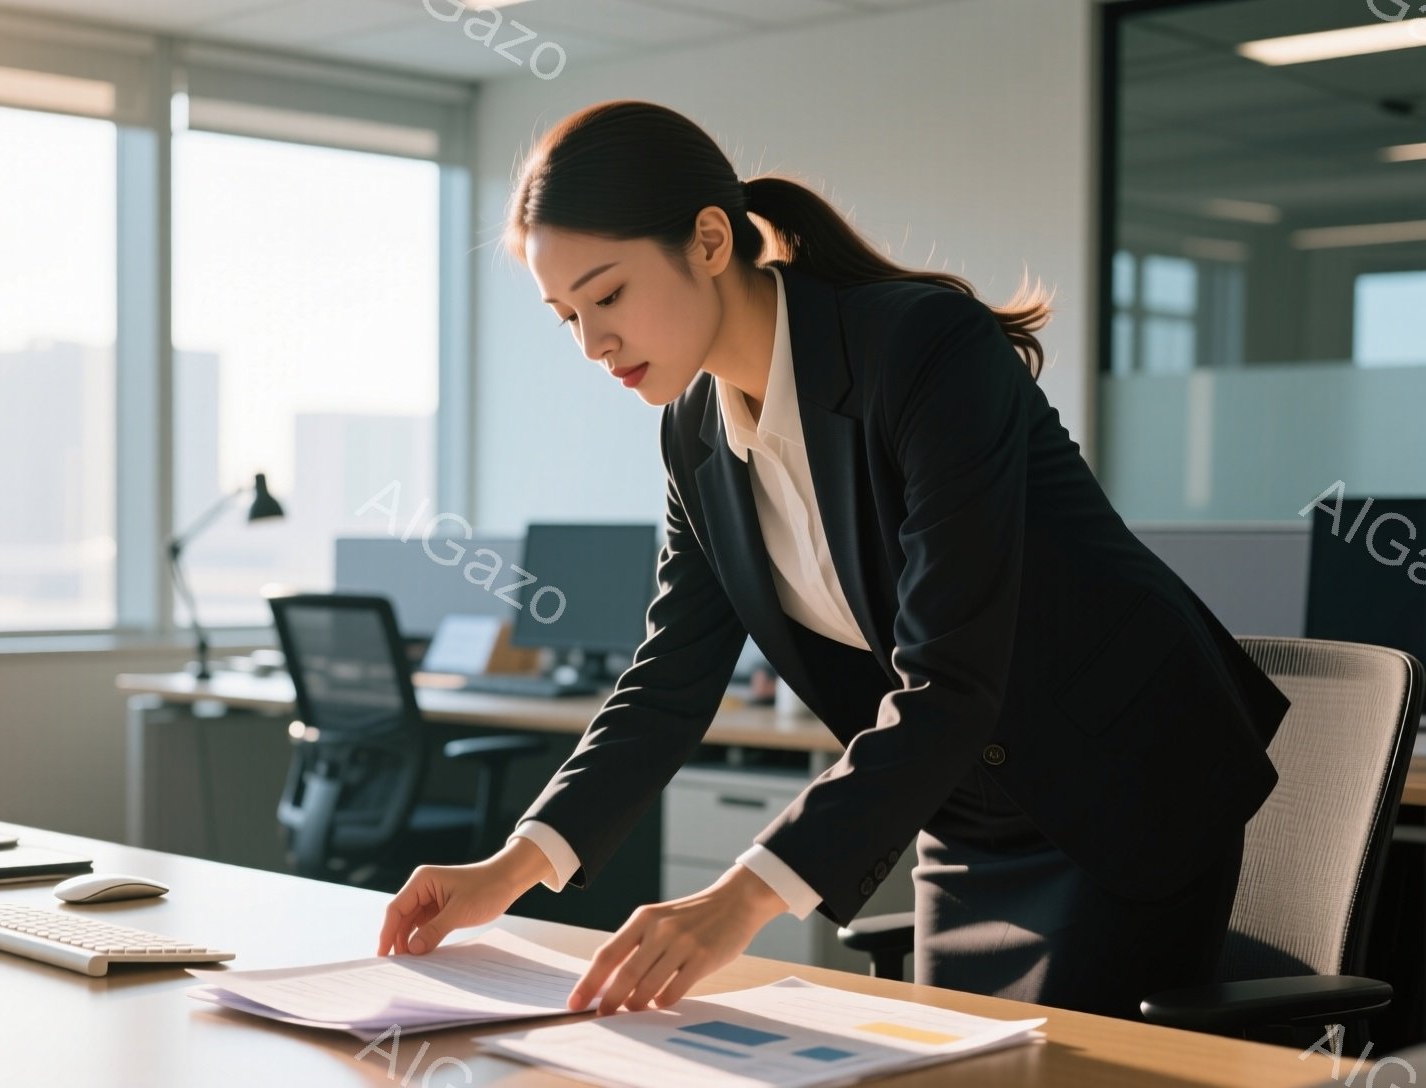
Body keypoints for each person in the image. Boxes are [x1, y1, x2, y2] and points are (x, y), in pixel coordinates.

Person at [376, 99, 1289, 1022]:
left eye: (607, 295)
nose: (591, 343)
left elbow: (950, 680)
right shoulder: (694, 434)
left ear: (708, 241)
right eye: (566, 315)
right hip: (966, 811)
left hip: (1125, 784)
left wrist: (741, 899)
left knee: (1055, 1074)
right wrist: (511, 867)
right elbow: (668, 683)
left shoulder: (923, 348)